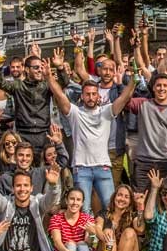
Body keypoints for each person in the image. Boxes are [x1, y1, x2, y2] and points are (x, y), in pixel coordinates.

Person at [48, 59, 137, 213]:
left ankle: (109, 235)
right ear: (82, 96)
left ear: (99, 96)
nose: (90, 97)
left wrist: (133, 81)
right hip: (81, 169)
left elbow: (124, 98)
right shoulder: (75, 113)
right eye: (87, 94)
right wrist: (49, 76)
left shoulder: (107, 111)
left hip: (103, 167)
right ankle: (89, 237)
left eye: (93, 94)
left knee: (112, 207)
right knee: (84, 209)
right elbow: (60, 95)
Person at [0, 50, 70, 152]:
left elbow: (64, 83)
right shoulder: (18, 85)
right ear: (27, 69)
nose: (39, 70)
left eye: (41, 68)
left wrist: (60, 68)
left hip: (44, 133)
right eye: (36, 67)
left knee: (44, 165)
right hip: (24, 133)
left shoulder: (46, 85)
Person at [126, 73, 167, 192]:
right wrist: (132, 83)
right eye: (158, 85)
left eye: (165, 86)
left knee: (164, 200)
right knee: (140, 198)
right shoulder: (142, 104)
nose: (162, 88)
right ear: (153, 88)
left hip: (166, 162)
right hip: (143, 162)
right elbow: (125, 101)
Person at [93, 184, 144, 251]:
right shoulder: (104, 213)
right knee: (108, 232)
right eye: (119, 195)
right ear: (114, 197)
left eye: (126, 197)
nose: (122, 199)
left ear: (130, 201)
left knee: (130, 232)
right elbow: (97, 227)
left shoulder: (133, 215)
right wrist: (104, 237)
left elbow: (140, 229)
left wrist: (140, 209)